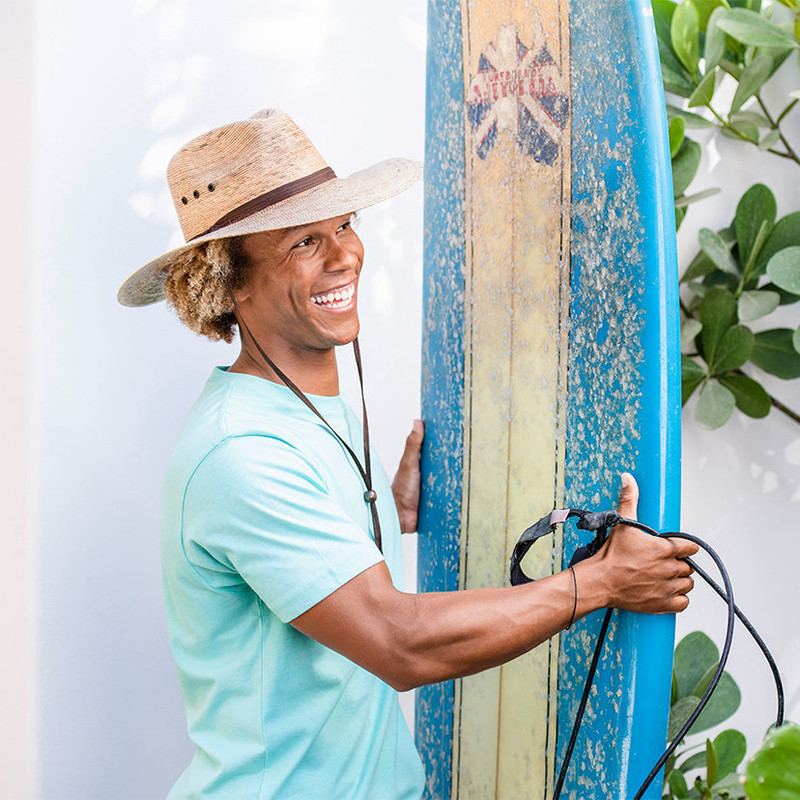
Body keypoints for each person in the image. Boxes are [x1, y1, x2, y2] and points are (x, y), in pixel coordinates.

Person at [118, 108, 698, 800]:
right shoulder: (240, 453)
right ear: (228, 284)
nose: (344, 256)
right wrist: (599, 583)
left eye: (344, 225)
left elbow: (304, 576)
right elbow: (399, 644)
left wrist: (386, 517)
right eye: (304, 242)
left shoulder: (303, 410)